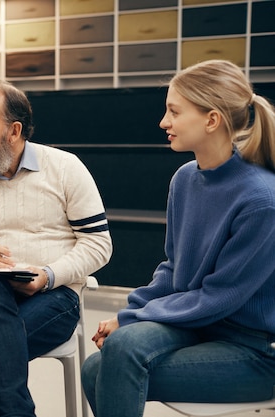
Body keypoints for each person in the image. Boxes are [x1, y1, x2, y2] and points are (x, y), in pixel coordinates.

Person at [81, 59, 275, 417]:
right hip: (199, 326)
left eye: (173, 111)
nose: (163, 122)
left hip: (256, 351)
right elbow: (174, 269)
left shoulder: (261, 200)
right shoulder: (185, 179)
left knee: (110, 361)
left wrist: (130, 320)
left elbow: (220, 296)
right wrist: (133, 311)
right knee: (99, 365)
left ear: (211, 120)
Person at [0, 80, 113, 417]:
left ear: (13, 130)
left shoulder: (66, 168)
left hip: (56, 297)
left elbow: (99, 244)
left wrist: (48, 275)